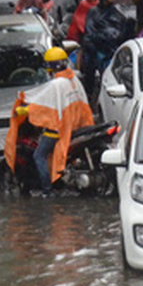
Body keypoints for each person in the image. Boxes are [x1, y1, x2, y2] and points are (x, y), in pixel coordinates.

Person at [6, 47, 94, 198]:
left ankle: (47, 190)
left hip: (59, 129)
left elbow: (44, 105)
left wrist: (26, 110)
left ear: (49, 66)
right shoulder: (73, 79)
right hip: (78, 126)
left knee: (38, 155)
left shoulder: (56, 84)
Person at [80, 0, 130, 102]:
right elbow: (90, 32)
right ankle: (89, 93)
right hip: (98, 49)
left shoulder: (117, 11)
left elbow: (121, 30)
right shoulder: (94, 12)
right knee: (89, 62)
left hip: (113, 48)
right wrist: (103, 38)